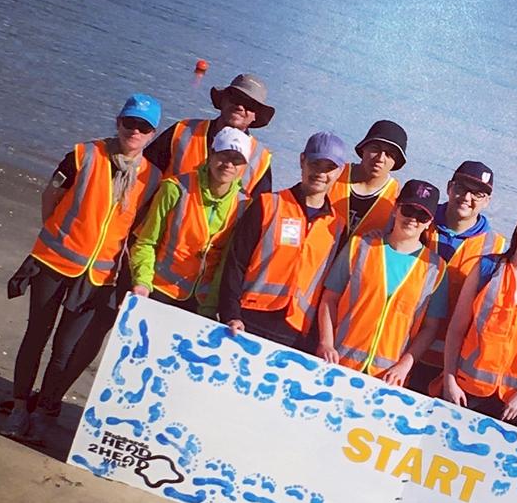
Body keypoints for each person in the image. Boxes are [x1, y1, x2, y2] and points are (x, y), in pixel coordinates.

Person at [3, 93, 162, 440]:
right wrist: (55, 234)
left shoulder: (152, 178)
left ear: (152, 135)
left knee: (64, 349)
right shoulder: (84, 154)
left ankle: (43, 410)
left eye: (144, 127)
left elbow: (139, 232)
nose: (134, 131)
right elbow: (51, 195)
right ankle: (18, 407)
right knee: (36, 336)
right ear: (118, 122)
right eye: (130, 123)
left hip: (98, 276)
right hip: (54, 261)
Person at [218, 132, 347, 348]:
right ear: (302, 160)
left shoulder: (339, 227)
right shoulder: (267, 204)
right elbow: (235, 263)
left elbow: (329, 292)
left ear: (340, 172)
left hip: (295, 333)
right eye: (315, 163)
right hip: (247, 320)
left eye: (329, 168)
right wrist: (231, 314)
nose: (320, 173)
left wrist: (316, 341)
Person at [440, 201, 517, 422]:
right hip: (465, 389)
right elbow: (457, 328)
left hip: (510, 401)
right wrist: (449, 379)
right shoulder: (487, 268)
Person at [317, 180, 447, 384]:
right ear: (396, 208)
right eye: (408, 210)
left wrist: (404, 365)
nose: (413, 219)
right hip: (338, 362)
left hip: (389, 376)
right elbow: (329, 299)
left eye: (422, 216)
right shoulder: (360, 246)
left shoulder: (436, 268)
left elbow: (430, 328)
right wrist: (326, 343)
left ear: (429, 222)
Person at [407, 161, 507, 393]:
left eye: (478, 194)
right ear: (449, 187)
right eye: (461, 188)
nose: (467, 197)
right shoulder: (419, 219)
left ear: (487, 201)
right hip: (397, 342)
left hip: (447, 362)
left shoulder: (496, 247)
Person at [129, 127, 251, 315]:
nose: (228, 164)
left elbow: (226, 265)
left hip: (201, 304)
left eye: (237, 160)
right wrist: (142, 282)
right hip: (158, 290)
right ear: (211, 153)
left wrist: (210, 307)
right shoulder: (175, 189)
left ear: (244, 166)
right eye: (224, 155)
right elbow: (146, 242)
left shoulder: (244, 205)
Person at [145, 73, 274, 197]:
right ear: (224, 100)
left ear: (256, 115)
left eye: (249, 105)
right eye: (236, 98)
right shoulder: (182, 131)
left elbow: (260, 209)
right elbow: (143, 176)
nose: (240, 107)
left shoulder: (261, 160)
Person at [328, 120, 406, 240]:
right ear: (364, 147)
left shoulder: (397, 197)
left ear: (396, 162)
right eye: (375, 149)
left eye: (390, 154)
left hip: (360, 252)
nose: (380, 158)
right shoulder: (334, 173)